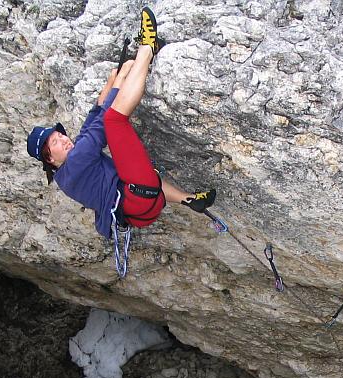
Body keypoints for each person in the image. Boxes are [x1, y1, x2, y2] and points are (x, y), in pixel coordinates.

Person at [26, 7, 215, 243]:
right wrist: (127, 71)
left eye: (59, 135)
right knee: (114, 120)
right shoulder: (75, 162)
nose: (63, 139)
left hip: (141, 206)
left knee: (136, 173)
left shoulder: (68, 173)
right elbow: (101, 124)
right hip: (138, 200)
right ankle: (148, 48)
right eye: (55, 142)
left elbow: (92, 116)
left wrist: (114, 77)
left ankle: (190, 199)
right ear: (50, 160)